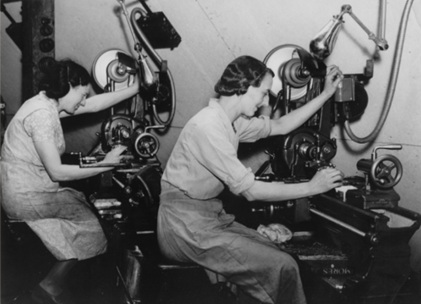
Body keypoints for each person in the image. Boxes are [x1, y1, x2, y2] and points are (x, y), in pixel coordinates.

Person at [157, 55, 344, 304]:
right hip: (183, 227)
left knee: (275, 253)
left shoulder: (231, 122)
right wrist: (312, 187)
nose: (266, 100)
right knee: (282, 265)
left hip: (207, 218)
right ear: (244, 87)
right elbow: (251, 191)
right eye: (264, 93)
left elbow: (280, 125)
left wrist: (327, 94)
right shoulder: (207, 127)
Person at [0, 59, 139, 304]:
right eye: (82, 95)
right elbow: (57, 172)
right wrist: (105, 164)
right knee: (92, 220)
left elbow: (94, 105)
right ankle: (51, 287)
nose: (84, 101)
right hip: (26, 195)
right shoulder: (42, 115)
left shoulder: (46, 103)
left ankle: (49, 287)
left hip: (27, 190)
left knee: (80, 212)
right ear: (68, 87)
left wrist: (136, 89)